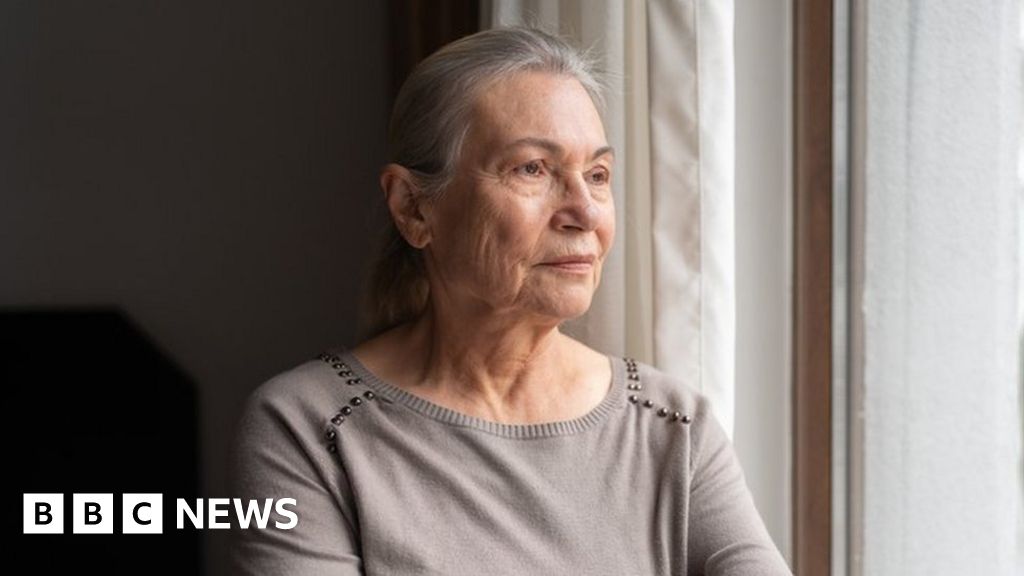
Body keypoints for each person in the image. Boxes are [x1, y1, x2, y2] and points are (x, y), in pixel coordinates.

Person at [230, 26, 792, 575]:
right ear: (414, 209)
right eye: (533, 169)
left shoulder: (673, 426)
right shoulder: (309, 427)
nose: (585, 212)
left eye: (597, 175)